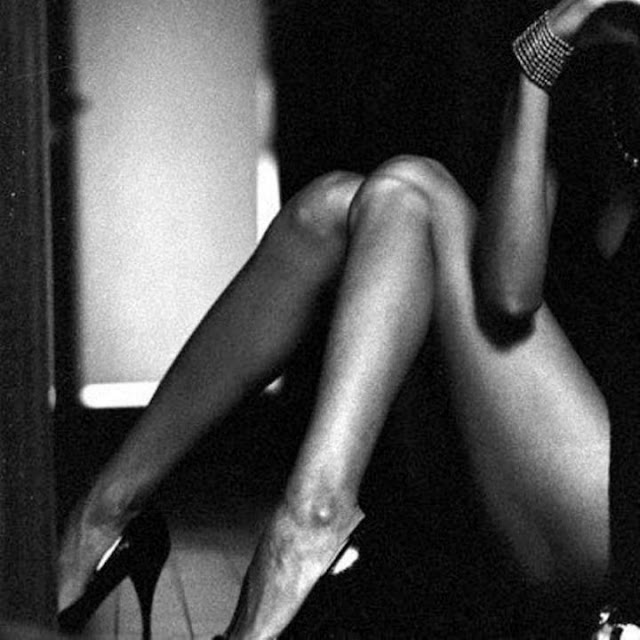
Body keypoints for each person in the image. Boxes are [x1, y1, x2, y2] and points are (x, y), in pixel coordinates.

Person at [57, 0, 640, 638]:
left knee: (409, 190)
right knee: (331, 210)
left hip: (620, 513)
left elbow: (508, 303)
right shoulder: (599, 80)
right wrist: (540, 62)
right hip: (561, 450)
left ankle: (311, 521)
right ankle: (109, 512)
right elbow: (511, 281)